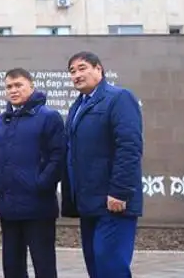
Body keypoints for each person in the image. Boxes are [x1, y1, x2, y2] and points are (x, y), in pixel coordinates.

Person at [62, 51, 143, 278]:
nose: (76, 75)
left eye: (82, 68)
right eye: (72, 71)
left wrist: (119, 191)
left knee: (111, 267)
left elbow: (129, 147)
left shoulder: (119, 98)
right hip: (88, 203)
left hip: (113, 203)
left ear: (99, 69)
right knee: (96, 267)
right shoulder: (77, 107)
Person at [0, 68, 66, 278]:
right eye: (9, 86)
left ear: (31, 86)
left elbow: (59, 156)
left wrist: (41, 183)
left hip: (38, 206)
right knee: (12, 266)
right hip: (8, 205)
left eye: (18, 85)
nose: (13, 90)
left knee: (43, 265)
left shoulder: (49, 117)